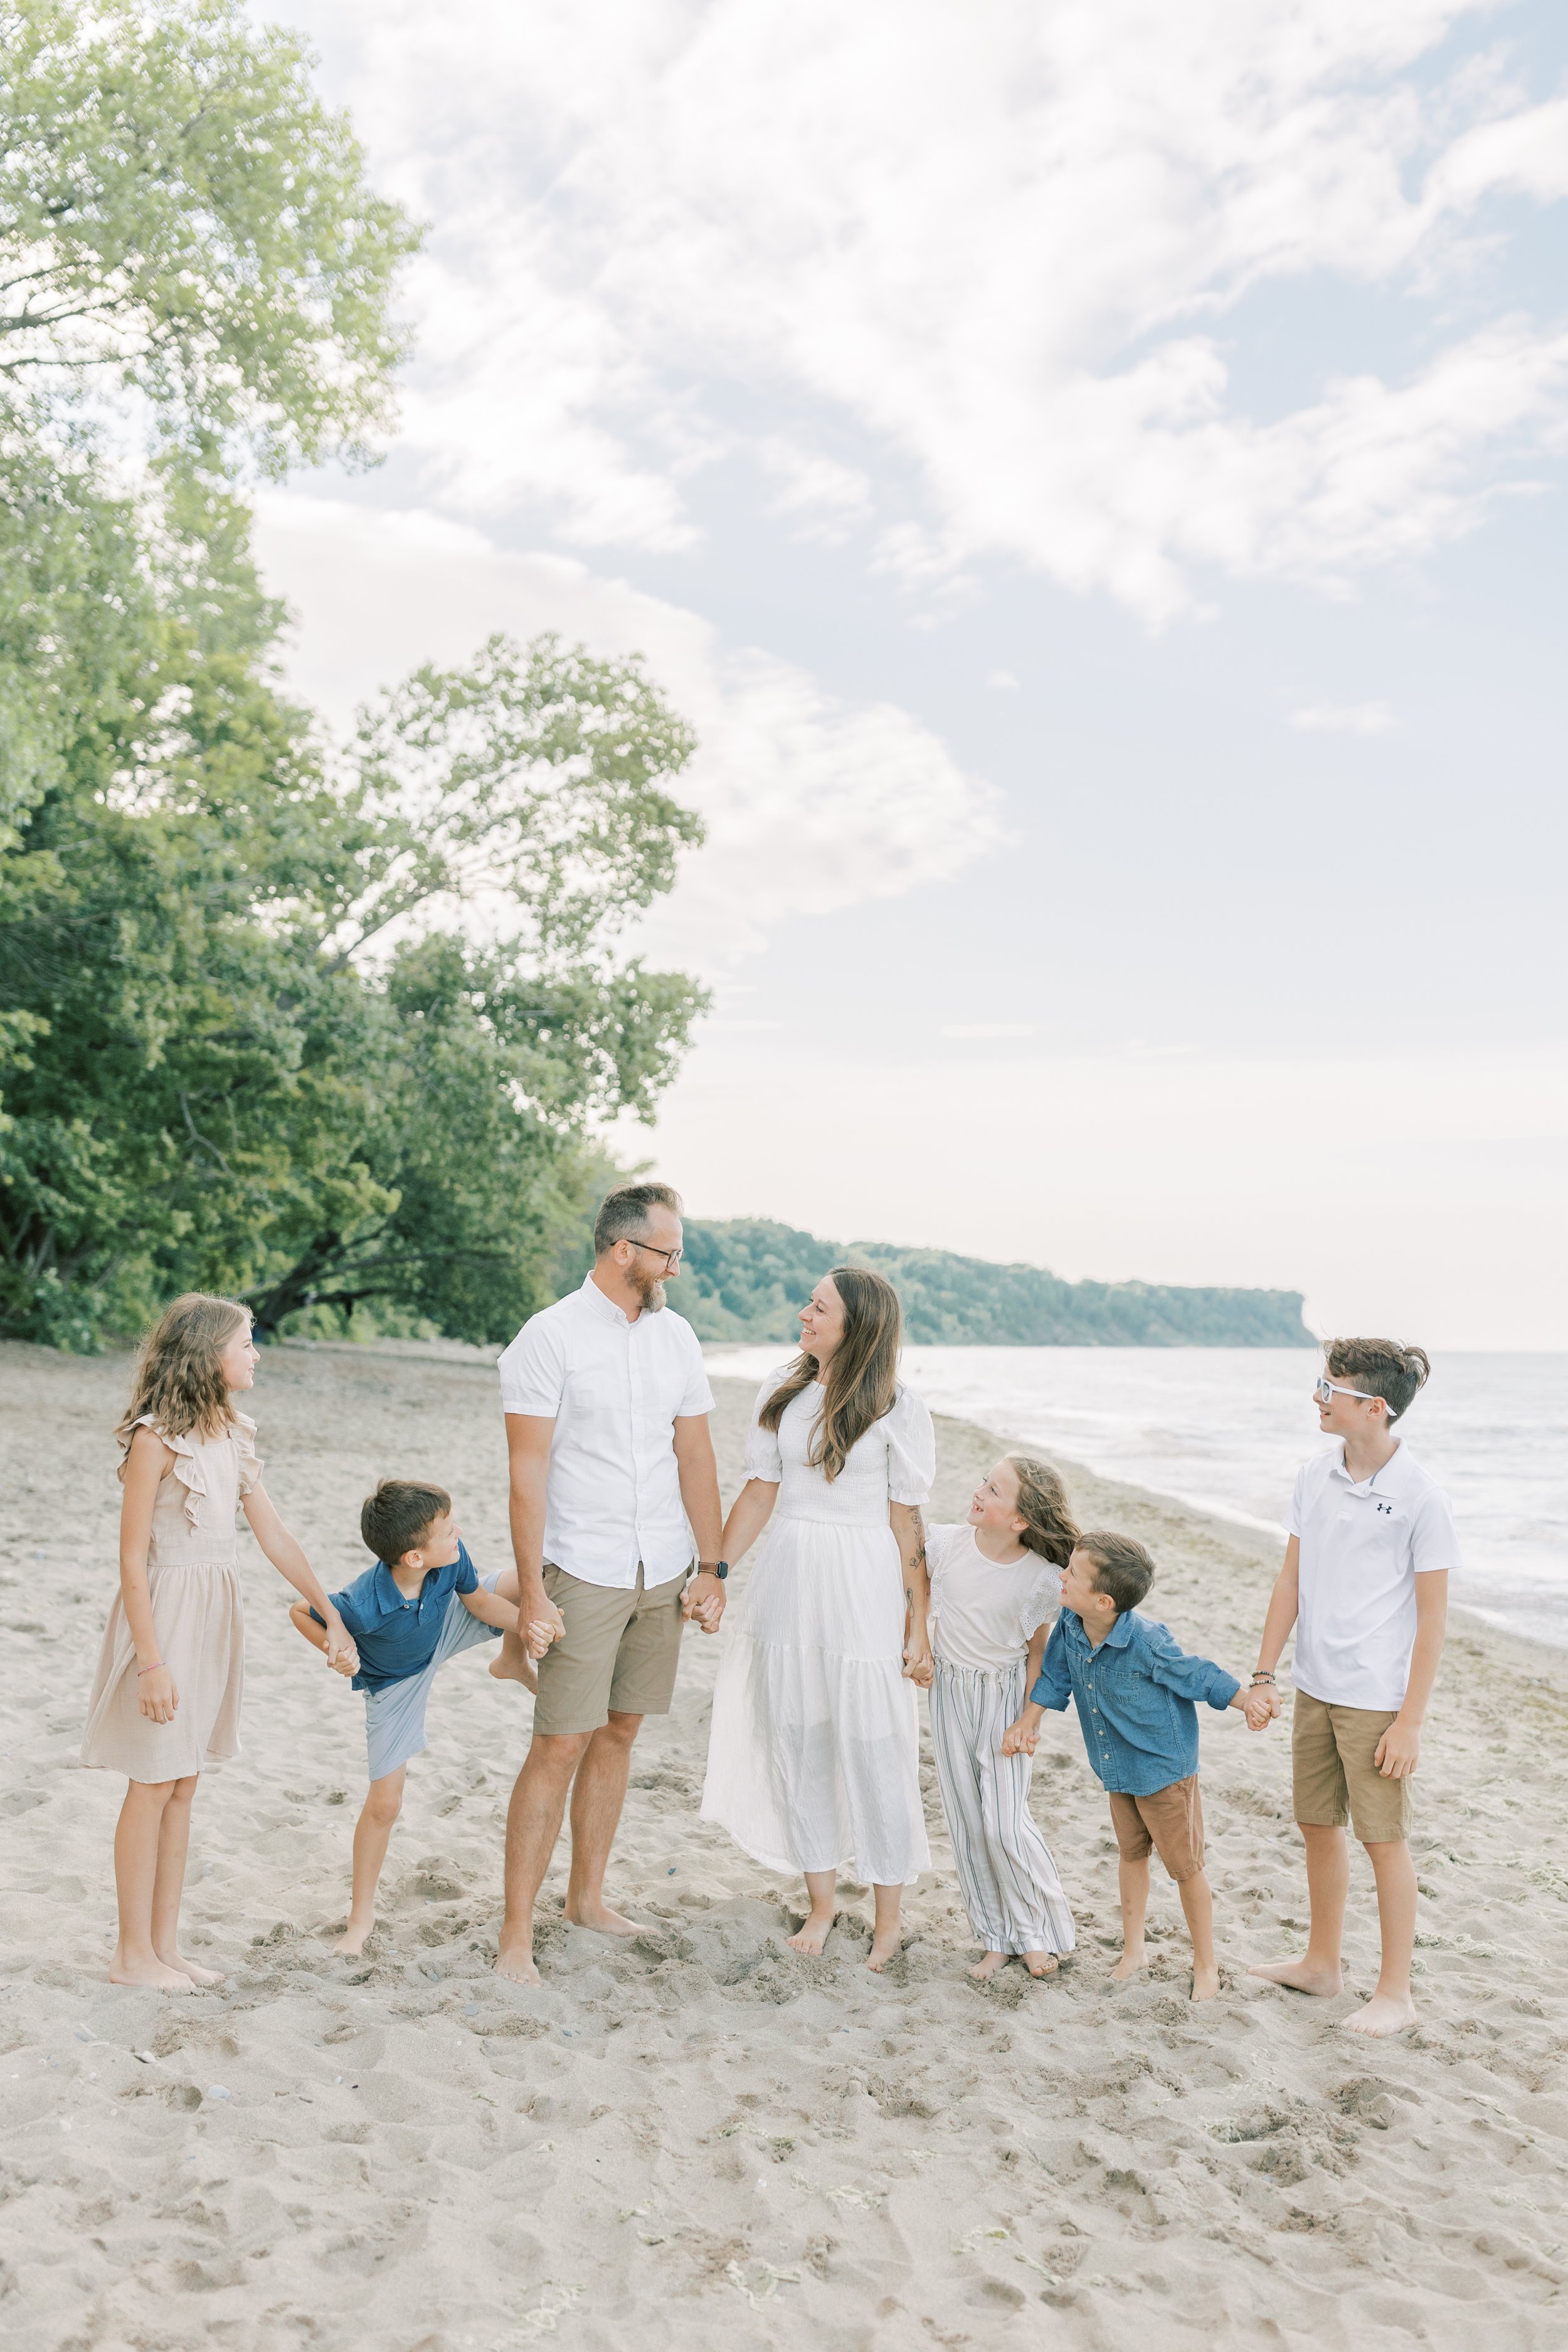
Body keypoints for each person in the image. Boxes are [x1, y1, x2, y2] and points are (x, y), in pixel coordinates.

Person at [82, 1293, 356, 1990]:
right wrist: (150, 1661)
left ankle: (164, 1948)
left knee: (184, 1784)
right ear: (209, 1354)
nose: (256, 1353)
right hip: (166, 1615)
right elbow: (130, 1560)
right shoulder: (155, 1440)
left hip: (213, 1617)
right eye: (247, 1343)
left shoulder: (233, 1434)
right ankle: (129, 1955)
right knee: (151, 1782)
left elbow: (273, 1535)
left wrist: (332, 1613)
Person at [492, 1182, 727, 1984]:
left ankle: (585, 1897)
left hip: (660, 1565)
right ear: (623, 1249)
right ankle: (515, 1933)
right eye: (668, 1251)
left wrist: (712, 1565)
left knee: (620, 1733)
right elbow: (526, 1473)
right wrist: (533, 1594)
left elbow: (694, 1456)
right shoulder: (547, 1338)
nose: (677, 1266)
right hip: (581, 1567)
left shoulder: (678, 1339)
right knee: (558, 1742)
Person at [699, 1266, 935, 1972]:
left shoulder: (897, 1407)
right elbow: (759, 1493)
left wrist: (918, 1622)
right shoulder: (787, 1392)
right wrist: (714, 1572)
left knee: (874, 1745)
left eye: (818, 1306)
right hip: (790, 1581)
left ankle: (888, 1918)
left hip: (863, 1585)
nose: (804, 1313)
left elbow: (907, 1525)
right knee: (799, 1738)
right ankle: (823, 1901)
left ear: (855, 1325)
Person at [1248, 1340, 1456, 2037]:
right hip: (1315, 1684)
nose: (1316, 1396)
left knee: (1382, 1839)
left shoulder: (1421, 1496)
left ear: (1374, 1408)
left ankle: (1394, 1994)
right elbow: (1290, 1581)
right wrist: (1265, 1672)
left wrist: (1410, 1723)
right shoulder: (1314, 1474)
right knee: (1315, 1825)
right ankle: (1320, 1964)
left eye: (1327, 1387)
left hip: (1377, 1699)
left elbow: (1432, 1622)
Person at [290, 1478, 556, 1956]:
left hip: (446, 1624)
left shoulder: (449, 1559)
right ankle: (360, 1919)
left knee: (530, 1580)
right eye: (448, 1530)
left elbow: (479, 1603)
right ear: (415, 1557)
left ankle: (511, 1660)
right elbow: (300, 1612)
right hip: (394, 1682)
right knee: (385, 1805)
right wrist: (339, 1646)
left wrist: (531, 1621)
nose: (459, 1533)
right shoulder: (363, 1605)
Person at [1005, 1532, 1268, 2001]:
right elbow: (1056, 1677)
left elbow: (1196, 1674)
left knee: (1186, 1869)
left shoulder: (1146, 1641)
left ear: (1104, 1601)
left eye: (1073, 1575)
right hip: (1116, 1765)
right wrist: (1030, 1721)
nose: (1062, 1577)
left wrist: (1245, 1700)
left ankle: (1206, 1964)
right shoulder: (1070, 1621)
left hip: (1165, 1772)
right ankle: (1134, 1950)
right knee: (1130, 1855)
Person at [926, 1455, 1078, 1981]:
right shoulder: (944, 1544)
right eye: (983, 1482)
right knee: (969, 1822)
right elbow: (910, 1585)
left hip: (1006, 1700)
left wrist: (1030, 1719)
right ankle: (996, 1938)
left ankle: (1039, 1932)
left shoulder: (1041, 1578)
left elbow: (1040, 1653)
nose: (978, 1491)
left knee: (1004, 1825)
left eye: (993, 1490)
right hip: (949, 1693)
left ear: (1020, 1521)